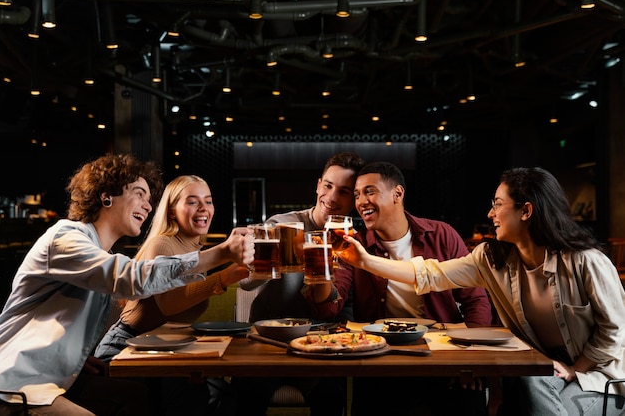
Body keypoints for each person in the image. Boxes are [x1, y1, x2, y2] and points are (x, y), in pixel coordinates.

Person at [335, 166, 625, 416]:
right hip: (539, 374)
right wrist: (365, 261)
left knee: (530, 393)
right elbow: (429, 274)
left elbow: (615, 331)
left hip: (600, 380)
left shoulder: (586, 261)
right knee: (529, 380)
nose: (490, 213)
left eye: (498, 204)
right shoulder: (491, 258)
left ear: (526, 210)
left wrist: (576, 369)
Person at [0, 154, 254, 416]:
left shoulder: (97, 253)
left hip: (59, 379)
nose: (147, 206)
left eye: (149, 199)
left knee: (139, 399)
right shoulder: (65, 238)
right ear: (106, 196)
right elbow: (130, 278)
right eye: (139, 194)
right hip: (18, 386)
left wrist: (74, 358)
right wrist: (221, 254)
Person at [304, 161, 493, 416]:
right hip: (383, 356)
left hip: (441, 354)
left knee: (468, 397)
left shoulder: (441, 234)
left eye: (369, 191)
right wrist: (322, 269)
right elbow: (329, 308)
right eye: (357, 195)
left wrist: (471, 362)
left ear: (397, 193)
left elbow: (476, 301)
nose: (361, 202)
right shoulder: (354, 245)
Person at [94, 174, 249, 415]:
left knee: (225, 396)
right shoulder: (162, 244)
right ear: (171, 211)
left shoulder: (196, 250)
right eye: (192, 201)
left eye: (208, 201)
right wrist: (224, 277)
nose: (203, 209)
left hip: (165, 349)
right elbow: (169, 304)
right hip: (126, 348)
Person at [231, 151, 365, 416]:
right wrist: (265, 261)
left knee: (334, 392)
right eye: (328, 186)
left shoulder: (351, 241)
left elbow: (336, 305)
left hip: (323, 348)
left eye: (344, 192)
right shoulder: (282, 225)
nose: (332, 197)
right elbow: (246, 285)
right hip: (269, 343)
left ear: (355, 199)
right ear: (318, 185)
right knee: (243, 390)